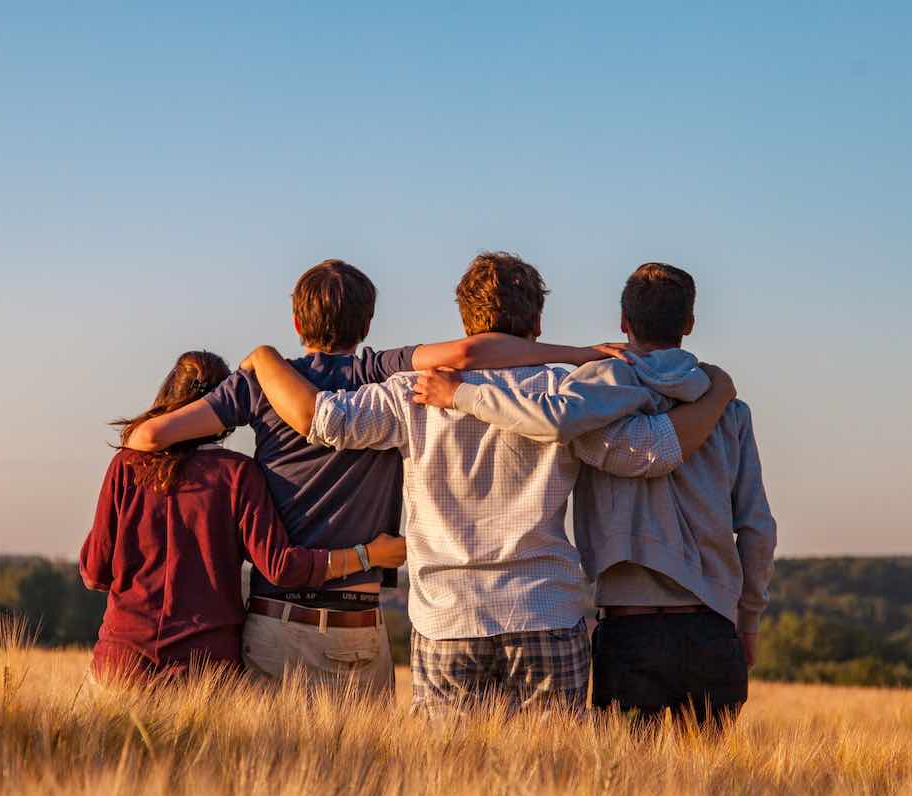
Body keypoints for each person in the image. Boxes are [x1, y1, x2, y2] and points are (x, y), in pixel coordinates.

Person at [239, 252, 736, 717]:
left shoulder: (410, 392)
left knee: (449, 783)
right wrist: (716, 396)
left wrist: (264, 358)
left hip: (447, 618)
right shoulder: (566, 393)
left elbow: (322, 420)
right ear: (537, 324)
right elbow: (650, 453)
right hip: (545, 610)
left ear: (464, 321)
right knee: (553, 782)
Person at [122, 259, 624, 694]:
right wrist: (578, 355)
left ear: (297, 320)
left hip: (279, 618)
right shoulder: (381, 372)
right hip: (363, 622)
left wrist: (256, 372)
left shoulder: (261, 384)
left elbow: (148, 439)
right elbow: (472, 354)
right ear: (368, 323)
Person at [412, 262, 776, 727]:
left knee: (620, 788)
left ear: (624, 322)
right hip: (713, 627)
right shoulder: (728, 409)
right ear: (688, 324)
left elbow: (553, 420)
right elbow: (758, 529)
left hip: (629, 629)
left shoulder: (590, 395)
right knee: (711, 792)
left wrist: (462, 395)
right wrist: (748, 621)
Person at [79, 349, 406, 684]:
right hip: (205, 667)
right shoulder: (238, 474)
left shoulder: (126, 466)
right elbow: (281, 567)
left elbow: (94, 572)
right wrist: (368, 555)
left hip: (121, 661)